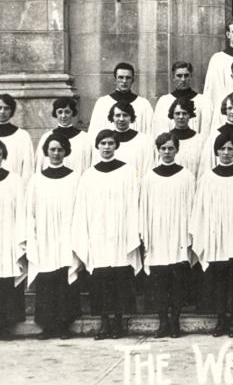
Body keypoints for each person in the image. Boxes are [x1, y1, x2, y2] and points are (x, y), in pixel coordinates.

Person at [71, 129, 142, 340]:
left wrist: (131, 229)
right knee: (100, 279)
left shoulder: (128, 171)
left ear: (116, 146)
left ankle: (119, 322)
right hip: (98, 232)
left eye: (111, 143)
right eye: (103, 143)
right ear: (97, 146)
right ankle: (104, 322)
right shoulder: (88, 175)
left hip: (120, 231)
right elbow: (82, 208)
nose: (107, 147)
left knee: (120, 276)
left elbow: (133, 202)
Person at [190, 131, 233, 338]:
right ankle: (221, 319)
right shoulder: (207, 178)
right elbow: (200, 209)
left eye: (230, 148)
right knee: (218, 281)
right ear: (216, 151)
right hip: (216, 237)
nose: (226, 152)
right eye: (222, 149)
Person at [26, 133, 82, 339]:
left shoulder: (75, 178)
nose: (56, 153)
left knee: (64, 279)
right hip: (45, 237)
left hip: (66, 234)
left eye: (60, 149)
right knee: (47, 279)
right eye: (52, 149)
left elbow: (80, 208)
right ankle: (47, 326)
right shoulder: (36, 180)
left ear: (66, 151)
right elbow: (29, 211)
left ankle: (64, 325)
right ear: (46, 152)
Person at [140, 132, 196, 337]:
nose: (167, 152)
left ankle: (175, 321)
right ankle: (162, 321)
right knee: (159, 282)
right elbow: (144, 209)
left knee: (177, 282)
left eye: (170, 148)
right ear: (158, 150)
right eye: (163, 148)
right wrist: (146, 234)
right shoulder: (149, 178)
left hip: (178, 235)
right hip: (157, 235)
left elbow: (192, 208)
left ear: (177, 150)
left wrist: (188, 235)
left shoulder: (187, 176)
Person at [0, 139, 26, 339]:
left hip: (7, 236)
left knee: (6, 281)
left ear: (3, 156)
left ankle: (6, 325)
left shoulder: (15, 181)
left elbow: (21, 213)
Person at [87, 63, 155, 138]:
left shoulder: (143, 104)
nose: (124, 81)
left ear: (133, 80)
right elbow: (94, 134)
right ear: (115, 79)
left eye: (128, 78)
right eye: (121, 77)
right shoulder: (103, 103)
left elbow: (150, 133)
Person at [92, 101, 155, 178]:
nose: (121, 119)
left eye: (125, 115)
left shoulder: (144, 140)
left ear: (131, 117)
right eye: (118, 115)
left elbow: (148, 169)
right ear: (112, 117)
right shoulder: (104, 142)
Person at [152, 61, 213, 135]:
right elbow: (159, 131)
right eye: (179, 76)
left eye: (186, 75)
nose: (183, 79)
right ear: (173, 77)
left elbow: (207, 132)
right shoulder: (164, 102)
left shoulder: (203, 101)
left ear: (191, 76)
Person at [35, 96, 91, 175]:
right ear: (56, 114)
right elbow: (39, 167)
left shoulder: (84, 138)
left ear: (73, 113)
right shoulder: (46, 137)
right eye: (60, 112)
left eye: (67, 112)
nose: (63, 116)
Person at [166, 97, 205, 176]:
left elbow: (203, 168)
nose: (181, 117)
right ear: (172, 115)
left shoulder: (199, 140)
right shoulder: (166, 140)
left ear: (190, 115)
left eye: (184, 113)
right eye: (177, 113)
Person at [0, 94, 34, 180]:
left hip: (13, 188)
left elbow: (28, 168)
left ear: (12, 110)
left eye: (6, 108)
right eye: (0, 108)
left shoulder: (22, 136)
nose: (2, 111)